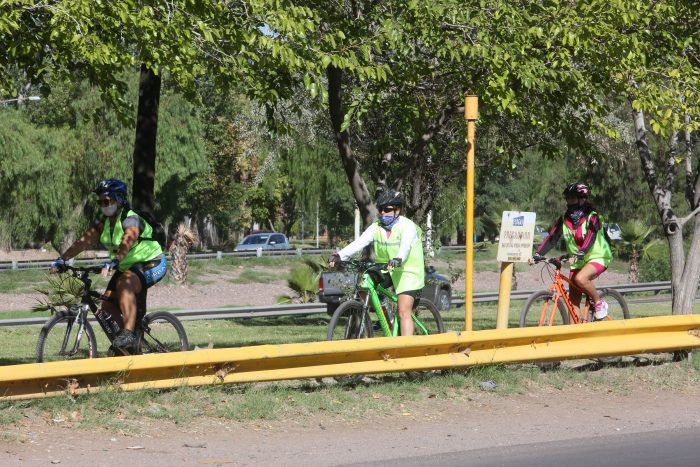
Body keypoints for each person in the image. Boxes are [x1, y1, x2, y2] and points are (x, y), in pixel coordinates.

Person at [50, 179, 167, 353]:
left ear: (119, 199)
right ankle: (128, 344)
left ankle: (128, 333)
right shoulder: (103, 222)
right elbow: (82, 242)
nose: (102, 205)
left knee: (125, 283)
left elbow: (128, 240)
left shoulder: (130, 218)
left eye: (106, 201)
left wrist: (115, 261)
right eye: (99, 202)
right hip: (126, 266)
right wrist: (62, 259)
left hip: (151, 262)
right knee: (105, 305)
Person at [329, 190, 424, 336]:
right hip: (386, 267)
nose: (383, 213)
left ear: (398, 210)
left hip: (408, 270)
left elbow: (405, 247)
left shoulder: (407, 226)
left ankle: (406, 352)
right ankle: (385, 311)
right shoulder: (376, 227)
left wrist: (398, 259)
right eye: (381, 210)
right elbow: (359, 242)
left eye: (388, 210)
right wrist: (340, 255)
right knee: (364, 288)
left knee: (404, 311)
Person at [530, 182, 612, 320]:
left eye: (572, 198)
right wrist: (538, 254)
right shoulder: (565, 218)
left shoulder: (593, 217)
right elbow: (552, 238)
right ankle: (574, 333)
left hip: (598, 257)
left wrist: (581, 253)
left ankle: (599, 302)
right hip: (578, 261)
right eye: (567, 198)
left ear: (582, 199)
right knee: (573, 302)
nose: (569, 201)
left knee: (580, 278)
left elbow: (590, 239)